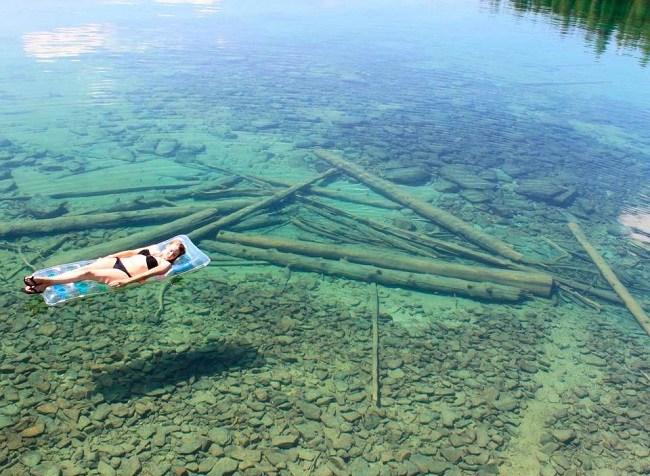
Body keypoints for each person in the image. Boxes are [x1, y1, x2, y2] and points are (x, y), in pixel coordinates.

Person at [22, 239, 186, 294]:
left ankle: (45, 282)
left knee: (88, 272)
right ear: (167, 246)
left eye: (174, 255)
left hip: (126, 274)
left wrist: (126, 283)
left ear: (176, 257)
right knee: (82, 270)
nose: (171, 254)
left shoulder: (165, 265)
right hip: (117, 262)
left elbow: (146, 276)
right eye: (171, 250)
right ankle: (43, 286)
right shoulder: (155, 248)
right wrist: (112, 256)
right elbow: (131, 252)